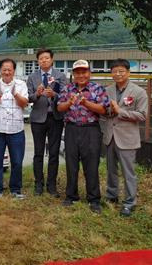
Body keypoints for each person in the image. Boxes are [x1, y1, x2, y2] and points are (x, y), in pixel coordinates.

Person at [57, 60, 109, 214]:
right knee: (71, 163)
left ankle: (94, 199)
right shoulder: (67, 88)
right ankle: (71, 196)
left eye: (84, 72)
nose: (81, 75)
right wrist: (69, 102)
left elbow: (103, 110)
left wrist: (86, 103)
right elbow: (60, 107)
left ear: (89, 73)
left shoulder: (97, 88)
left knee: (91, 165)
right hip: (72, 129)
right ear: (73, 74)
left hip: (91, 130)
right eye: (77, 72)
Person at [100, 59, 147, 217]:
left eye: (121, 71)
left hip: (127, 138)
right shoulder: (107, 90)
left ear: (128, 72)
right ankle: (112, 196)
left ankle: (129, 202)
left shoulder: (138, 92)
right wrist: (109, 111)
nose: (118, 74)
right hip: (110, 136)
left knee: (129, 172)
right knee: (111, 170)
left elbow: (142, 115)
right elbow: (104, 111)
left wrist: (120, 111)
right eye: (115, 71)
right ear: (111, 73)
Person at [27, 49, 67, 197]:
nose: (44, 60)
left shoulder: (60, 76)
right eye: (41, 58)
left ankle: (52, 185)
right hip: (38, 118)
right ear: (38, 61)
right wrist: (37, 94)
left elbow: (65, 96)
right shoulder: (32, 77)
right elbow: (28, 98)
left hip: (55, 117)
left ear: (52, 60)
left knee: (54, 153)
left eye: (46, 58)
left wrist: (54, 95)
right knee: (38, 153)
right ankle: (38, 184)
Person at [0, 59, 29, 199]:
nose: (7, 72)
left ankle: (15, 189)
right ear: (0, 70)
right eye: (4, 69)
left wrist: (15, 94)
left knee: (17, 161)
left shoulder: (21, 84)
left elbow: (24, 104)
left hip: (17, 129)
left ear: (14, 70)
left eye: (9, 69)